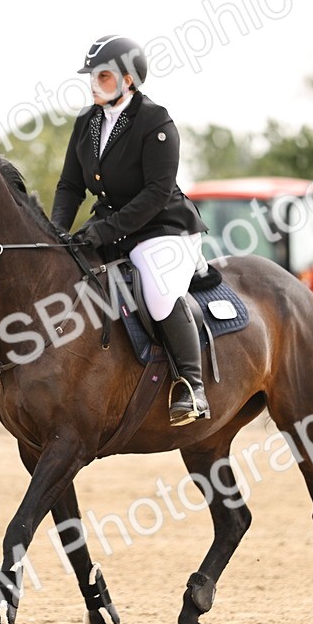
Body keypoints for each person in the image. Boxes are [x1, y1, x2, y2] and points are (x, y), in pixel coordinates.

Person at [51, 35, 211, 426]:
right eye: (91, 76)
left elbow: (156, 192)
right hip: (109, 224)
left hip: (163, 226)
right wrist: (56, 233)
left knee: (157, 293)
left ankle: (192, 386)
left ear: (128, 80)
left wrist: (105, 231)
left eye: (102, 76)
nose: (93, 84)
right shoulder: (86, 122)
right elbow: (70, 186)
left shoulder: (155, 121)